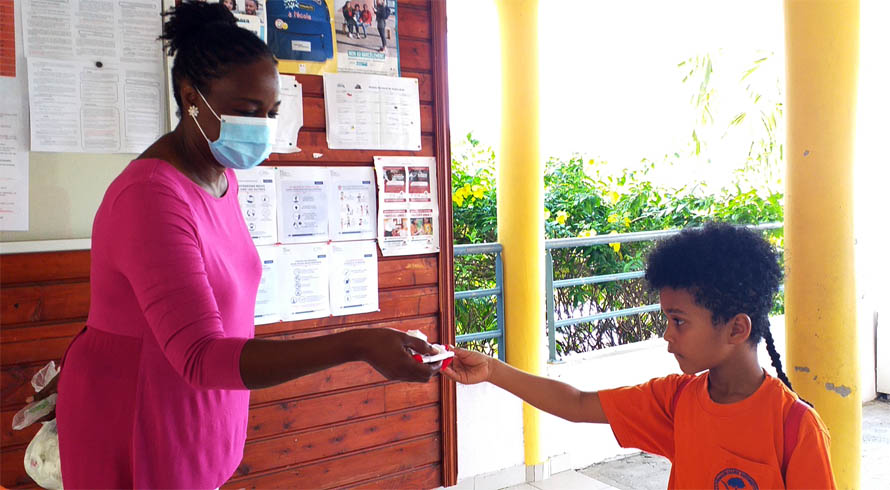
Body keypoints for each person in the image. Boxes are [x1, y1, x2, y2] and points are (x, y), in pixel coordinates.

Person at [47, 3, 438, 488]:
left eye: (271, 112)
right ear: (191, 98)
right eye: (247, 111)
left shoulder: (221, 176)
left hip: (200, 412)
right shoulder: (149, 196)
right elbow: (200, 356)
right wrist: (359, 343)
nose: (262, 127)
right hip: (138, 421)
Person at [444, 223, 837, 489]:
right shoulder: (678, 399)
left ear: (736, 328)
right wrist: (492, 370)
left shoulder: (795, 428)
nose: (667, 334)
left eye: (679, 320)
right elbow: (577, 403)